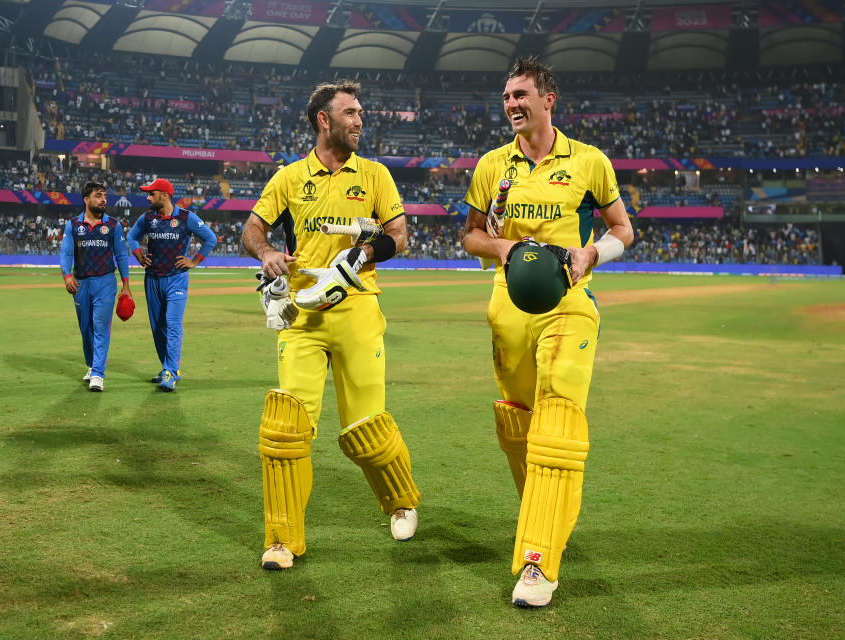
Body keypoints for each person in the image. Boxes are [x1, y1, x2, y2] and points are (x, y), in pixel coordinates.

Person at [461, 57, 634, 608]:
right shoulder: (492, 165)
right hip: (507, 308)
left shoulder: (588, 161)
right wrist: (503, 246)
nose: (511, 104)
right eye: (506, 96)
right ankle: (545, 509)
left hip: (569, 301)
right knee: (519, 422)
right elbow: (470, 236)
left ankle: (537, 562)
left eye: (520, 95)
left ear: (547, 98)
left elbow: (623, 229)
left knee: (557, 416)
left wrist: (592, 253)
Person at [242, 80, 420, 571]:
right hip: (301, 314)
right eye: (351, 112)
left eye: (361, 111)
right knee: (287, 429)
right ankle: (282, 539)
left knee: (367, 426)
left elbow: (399, 235)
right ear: (324, 120)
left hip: (358, 309)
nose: (360, 120)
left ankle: (401, 500)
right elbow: (251, 228)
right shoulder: (290, 177)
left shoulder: (376, 174)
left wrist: (361, 254)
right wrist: (268, 252)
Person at [126, 178, 218, 391]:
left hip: (177, 278)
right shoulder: (148, 218)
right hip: (152, 280)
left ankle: (170, 370)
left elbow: (210, 238)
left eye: (151, 194)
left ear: (164, 195)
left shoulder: (186, 217)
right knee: (158, 327)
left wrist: (194, 261)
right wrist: (139, 256)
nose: (148, 197)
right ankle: (169, 368)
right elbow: (131, 238)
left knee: (173, 324)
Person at [60, 181, 132, 392]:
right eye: (98, 196)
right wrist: (66, 275)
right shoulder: (73, 225)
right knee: (86, 330)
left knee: (101, 327)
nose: (103, 200)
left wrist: (126, 285)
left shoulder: (113, 225)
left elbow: (121, 255)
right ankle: (92, 366)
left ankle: (99, 374)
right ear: (86, 199)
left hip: (105, 283)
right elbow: (66, 253)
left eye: (105, 196)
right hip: (81, 284)